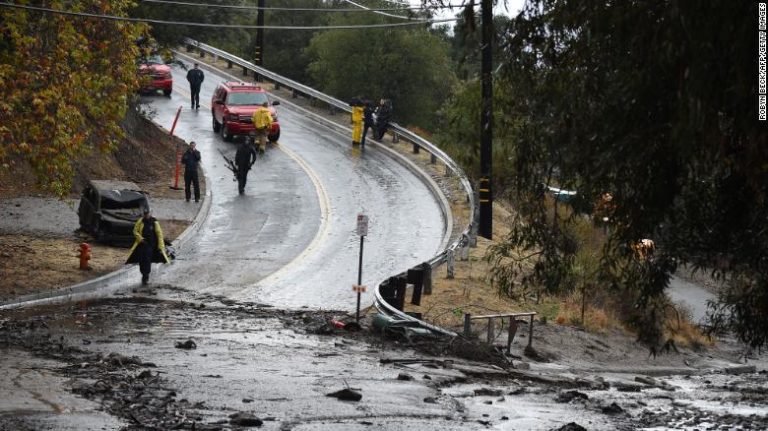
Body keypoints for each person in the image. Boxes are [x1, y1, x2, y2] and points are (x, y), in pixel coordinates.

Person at [126, 208, 170, 285]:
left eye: (147, 214)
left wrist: (161, 246)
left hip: (151, 244)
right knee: (141, 260)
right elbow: (135, 231)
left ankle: (146, 276)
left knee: (147, 260)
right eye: (145, 214)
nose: (146, 215)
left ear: (150, 213)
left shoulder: (154, 222)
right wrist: (140, 238)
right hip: (142, 244)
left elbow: (159, 234)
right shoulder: (140, 221)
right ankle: (143, 273)